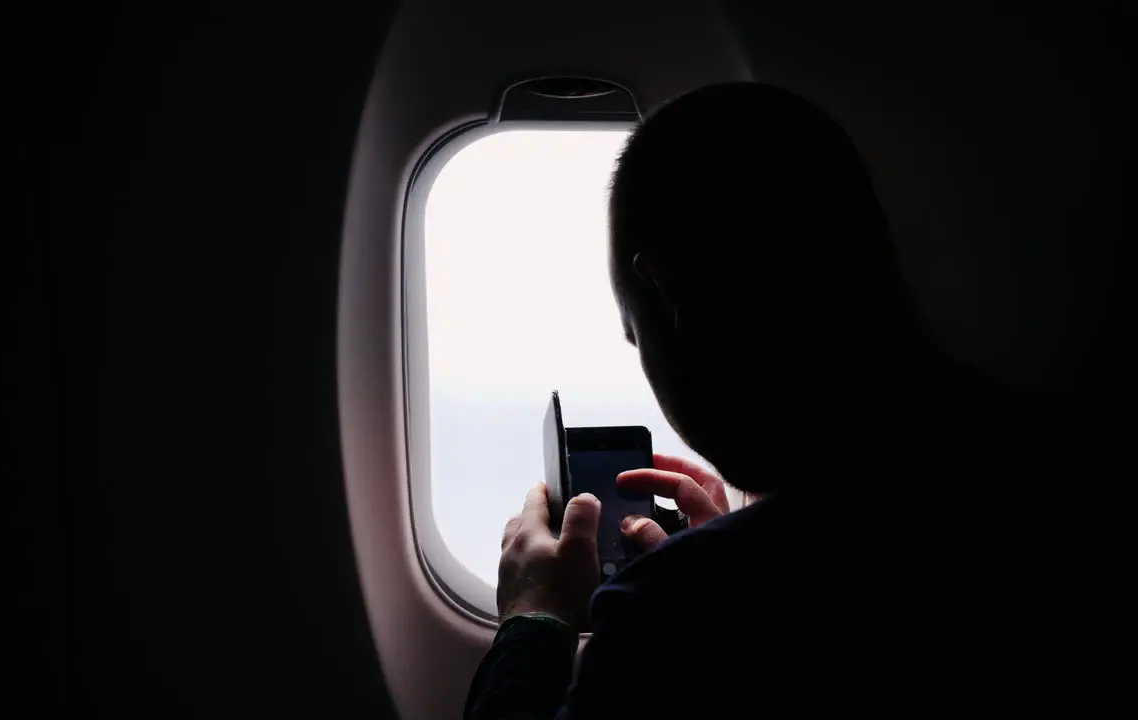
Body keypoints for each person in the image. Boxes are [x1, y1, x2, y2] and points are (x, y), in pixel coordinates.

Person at [464, 82, 1118, 718]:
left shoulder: (674, 610)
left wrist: (535, 619)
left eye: (638, 336)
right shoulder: (1079, 476)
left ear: (673, 297)